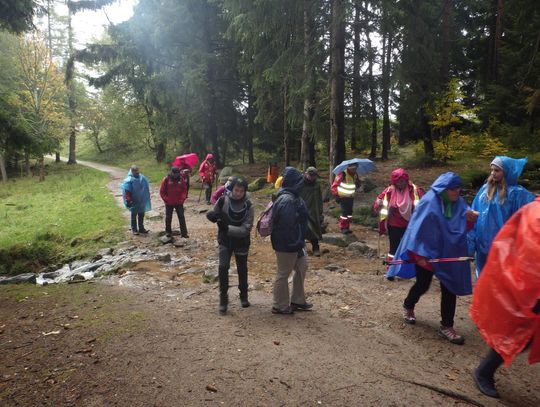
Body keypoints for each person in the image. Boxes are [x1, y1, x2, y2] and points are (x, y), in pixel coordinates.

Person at [387, 172, 478, 344]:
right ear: (444, 189)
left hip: (448, 253)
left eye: (459, 189)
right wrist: (419, 256)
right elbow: (417, 231)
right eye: (453, 189)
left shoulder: (459, 203)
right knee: (423, 284)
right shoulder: (429, 202)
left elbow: (462, 228)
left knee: (449, 288)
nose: (457, 192)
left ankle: (447, 326)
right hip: (426, 254)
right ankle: (408, 305)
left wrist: (470, 219)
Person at [470, 197, 540, 399]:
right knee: (519, 335)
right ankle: (484, 371)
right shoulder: (535, 214)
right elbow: (531, 256)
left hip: (528, 287)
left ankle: (484, 371)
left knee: (523, 336)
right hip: (525, 288)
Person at [468, 156, 534, 277]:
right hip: (483, 245)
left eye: (497, 170)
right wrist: (470, 242)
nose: (493, 173)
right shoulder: (484, 190)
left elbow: (530, 215)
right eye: (492, 170)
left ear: (506, 171)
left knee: (502, 280)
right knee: (484, 280)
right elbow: (474, 215)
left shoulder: (516, 194)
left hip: (505, 247)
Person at [206, 177, 254, 315]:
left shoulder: (249, 205)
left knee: (242, 269)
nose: (238, 193)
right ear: (231, 189)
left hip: (241, 241)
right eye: (236, 190)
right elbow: (214, 213)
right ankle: (223, 299)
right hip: (225, 241)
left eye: (241, 191)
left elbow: (246, 228)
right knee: (222, 267)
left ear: (245, 191)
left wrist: (227, 228)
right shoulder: (222, 200)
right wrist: (212, 217)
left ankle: (244, 296)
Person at [271, 167, 312, 314]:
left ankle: (297, 300)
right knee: (283, 273)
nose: (302, 183)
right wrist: (295, 244)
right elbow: (288, 226)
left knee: (302, 266)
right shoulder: (287, 199)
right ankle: (279, 305)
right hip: (287, 244)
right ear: (294, 183)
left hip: (296, 242)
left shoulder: (293, 196)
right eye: (300, 181)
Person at [373, 168, 424, 279]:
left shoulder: (414, 190)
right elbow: (378, 203)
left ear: (406, 180)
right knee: (393, 249)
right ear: (394, 182)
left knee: (409, 248)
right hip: (394, 224)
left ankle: (407, 271)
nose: (401, 183)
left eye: (403, 181)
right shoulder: (389, 191)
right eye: (398, 181)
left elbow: (423, 204)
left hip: (409, 225)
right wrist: (378, 204)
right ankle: (391, 270)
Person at [299, 167, 324, 257]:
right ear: (306, 173)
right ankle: (301, 249)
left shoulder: (316, 185)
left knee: (315, 229)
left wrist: (320, 211)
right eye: (311, 175)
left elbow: (319, 198)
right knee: (301, 229)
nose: (312, 177)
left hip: (314, 210)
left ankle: (316, 248)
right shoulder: (300, 183)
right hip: (302, 209)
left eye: (314, 176)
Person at [331, 163, 361, 234]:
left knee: (349, 212)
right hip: (342, 197)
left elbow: (357, 184)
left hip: (350, 197)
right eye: (353, 168)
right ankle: (343, 227)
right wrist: (336, 196)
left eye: (355, 168)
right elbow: (334, 186)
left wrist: (358, 183)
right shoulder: (342, 174)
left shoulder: (355, 174)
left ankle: (347, 226)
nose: (354, 169)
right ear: (349, 167)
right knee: (344, 212)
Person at [121, 165, 151, 235]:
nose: (137, 173)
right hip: (133, 201)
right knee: (133, 216)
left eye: (138, 172)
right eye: (135, 172)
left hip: (142, 200)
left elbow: (146, 187)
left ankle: (141, 228)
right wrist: (128, 200)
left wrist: (147, 197)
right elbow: (127, 191)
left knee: (141, 215)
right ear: (132, 172)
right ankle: (134, 229)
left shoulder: (142, 178)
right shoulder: (129, 180)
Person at [159, 166, 189, 238]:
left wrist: (182, 199)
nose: (177, 175)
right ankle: (168, 232)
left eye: (178, 173)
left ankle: (184, 233)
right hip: (169, 203)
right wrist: (166, 199)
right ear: (172, 173)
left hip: (179, 202)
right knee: (168, 217)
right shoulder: (166, 179)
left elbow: (184, 190)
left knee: (181, 217)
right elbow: (162, 191)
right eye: (175, 174)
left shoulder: (181, 179)